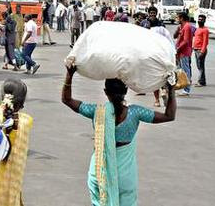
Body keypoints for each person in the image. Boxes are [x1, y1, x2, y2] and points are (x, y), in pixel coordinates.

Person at [61, 66, 176, 206]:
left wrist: (70, 74)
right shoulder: (136, 113)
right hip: (125, 178)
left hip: (99, 175)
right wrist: (171, 90)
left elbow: (67, 100)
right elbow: (169, 116)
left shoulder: (97, 111)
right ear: (126, 91)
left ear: (105, 92)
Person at [149, 17, 175, 107]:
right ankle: (164, 90)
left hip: (154, 57)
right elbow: (171, 43)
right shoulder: (164, 30)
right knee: (165, 75)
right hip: (165, 56)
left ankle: (157, 100)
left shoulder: (149, 31)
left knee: (154, 78)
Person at [176, 12, 194, 96]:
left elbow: (186, 41)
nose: (177, 19)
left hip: (184, 52)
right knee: (181, 70)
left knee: (186, 71)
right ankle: (183, 86)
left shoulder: (187, 26)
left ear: (181, 18)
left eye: (178, 18)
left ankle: (187, 89)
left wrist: (178, 49)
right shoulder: (182, 27)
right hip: (181, 52)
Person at [193, 14, 209, 87]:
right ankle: (203, 81)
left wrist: (202, 52)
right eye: (199, 19)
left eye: (201, 20)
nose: (200, 21)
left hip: (200, 50)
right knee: (199, 66)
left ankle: (200, 82)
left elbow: (205, 42)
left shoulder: (205, 30)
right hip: (196, 49)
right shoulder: (198, 29)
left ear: (204, 21)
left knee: (201, 67)